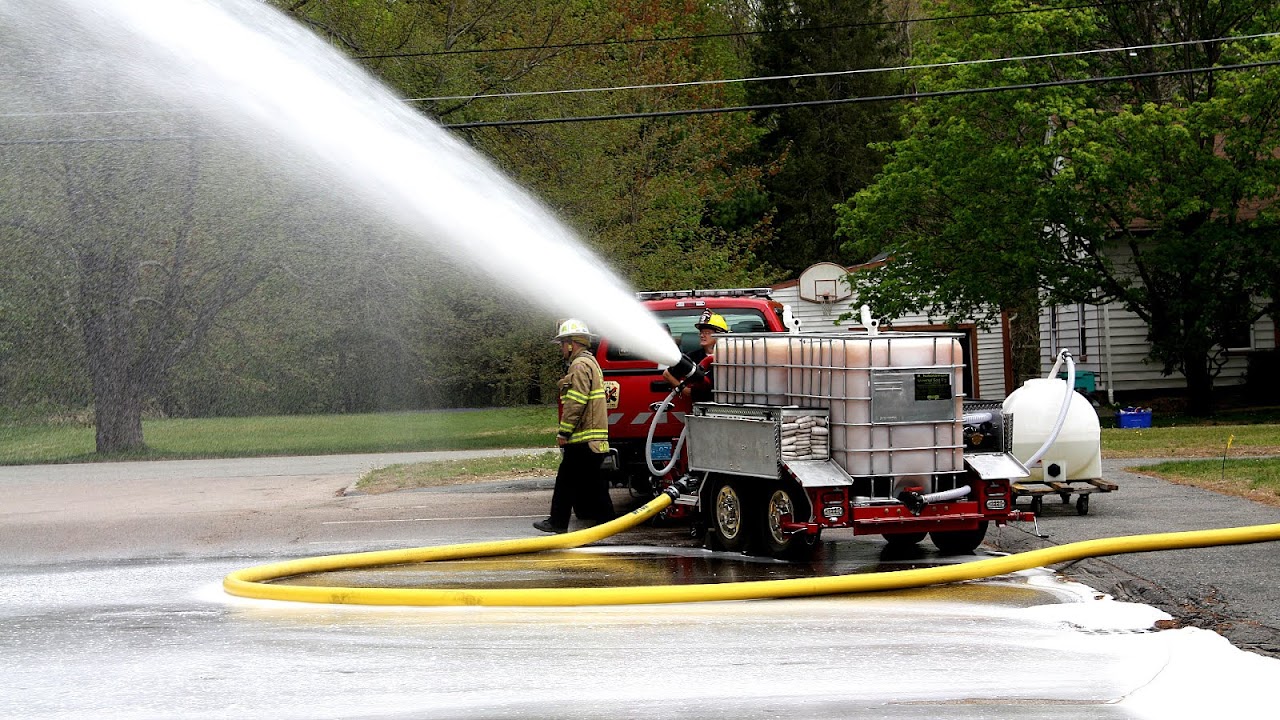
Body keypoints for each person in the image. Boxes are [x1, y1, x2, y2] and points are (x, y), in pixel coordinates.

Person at [533, 319, 615, 534]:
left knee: (566, 482)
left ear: (572, 344)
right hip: (593, 441)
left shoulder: (579, 365)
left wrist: (564, 431)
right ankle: (607, 523)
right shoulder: (591, 363)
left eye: (562, 343)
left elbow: (575, 402)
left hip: (582, 439)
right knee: (595, 484)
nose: (561, 348)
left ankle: (558, 523)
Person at [663, 309, 728, 403]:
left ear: (720, 335)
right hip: (701, 408)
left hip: (726, 405)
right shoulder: (692, 357)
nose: (702, 335)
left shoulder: (731, 356)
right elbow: (667, 374)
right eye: (701, 332)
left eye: (707, 333)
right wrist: (685, 390)